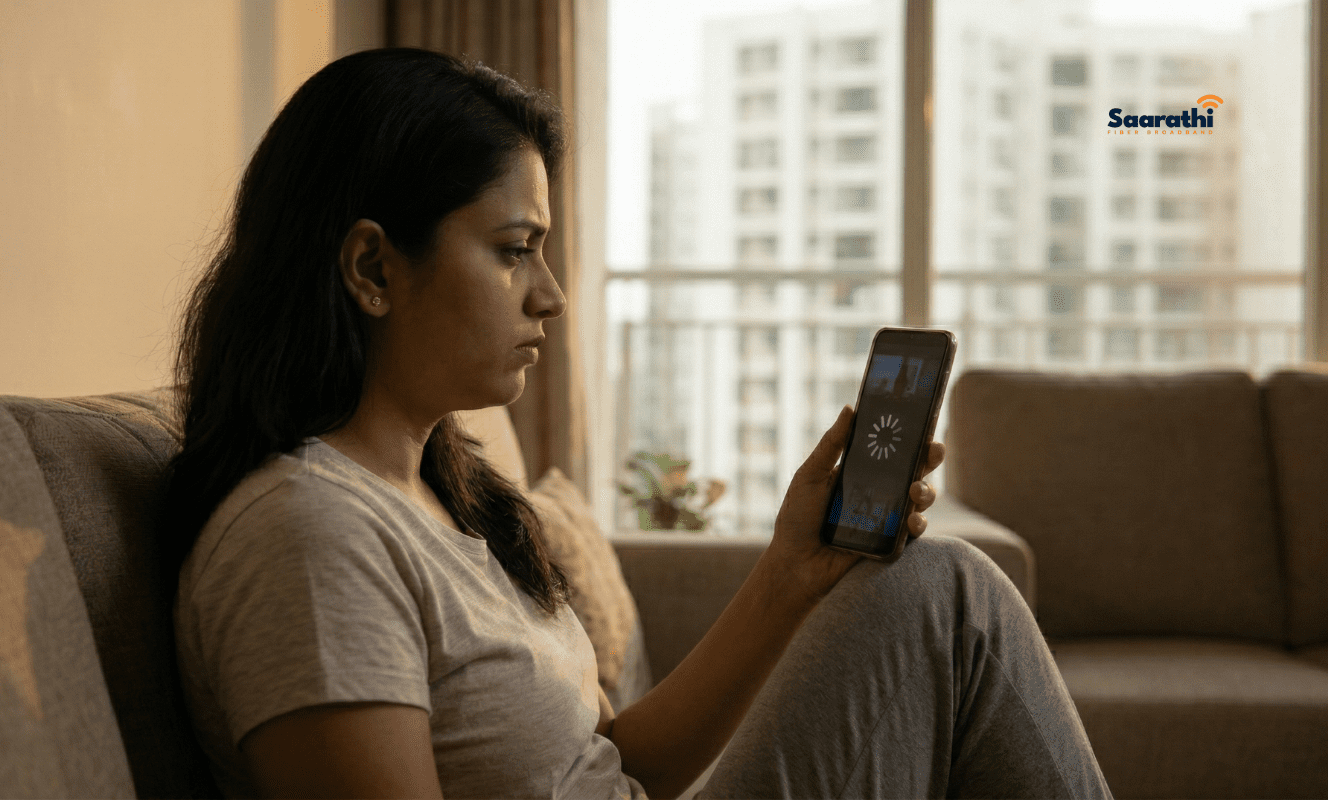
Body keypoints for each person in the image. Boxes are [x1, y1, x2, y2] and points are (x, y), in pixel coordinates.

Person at [166, 48, 1112, 799]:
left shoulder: (436, 496)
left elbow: (617, 769)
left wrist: (790, 571)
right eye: (513, 251)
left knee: (943, 589)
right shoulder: (310, 537)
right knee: (950, 594)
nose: (551, 295)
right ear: (372, 269)